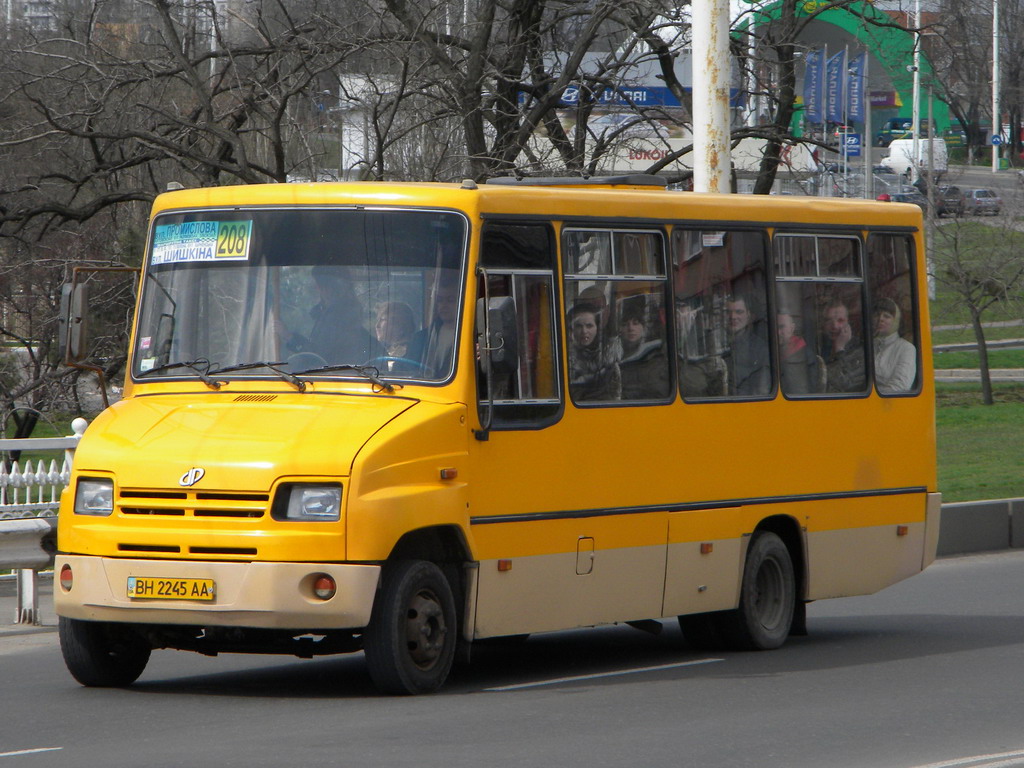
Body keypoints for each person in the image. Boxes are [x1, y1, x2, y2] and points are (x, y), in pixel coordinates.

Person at [285, 266, 373, 364]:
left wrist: (291, 338)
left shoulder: (337, 317)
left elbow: (319, 355)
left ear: (327, 288)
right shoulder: (327, 314)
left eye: (318, 285)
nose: (316, 289)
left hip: (335, 376)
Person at [606, 299, 669, 400]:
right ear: (620, 330)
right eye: (625, 324)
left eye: (635, 323)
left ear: (643, 328)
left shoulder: (655, 356)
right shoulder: (610, 358)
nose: (630, 328)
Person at [568, 303, 620, 401]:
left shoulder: (610, 356)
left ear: (598, 328)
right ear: (572, 329)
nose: (584, 331)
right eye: (578, 326)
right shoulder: (566, 356)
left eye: (589, 326)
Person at [724, 294, 770, 396]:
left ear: (749, 315)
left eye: (739, 312)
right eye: (728, 312)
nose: (733, 317)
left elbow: (762, 390)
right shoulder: (713, 345)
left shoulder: (760, 349)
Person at [821, 298, 866, 393]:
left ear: (847, 322)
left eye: (840, 320)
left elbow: (845, 386)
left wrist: (839, 350)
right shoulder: (818, 345)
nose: (834, 326)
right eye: (829, 321)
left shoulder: (859, 351)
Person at [417, 280, 460, 377]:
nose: (444, 305)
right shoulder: (422, 338)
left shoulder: (474, 339)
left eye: (450, 300)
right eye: (440, 300)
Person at [873, 297, 916, 393]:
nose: (880, 319)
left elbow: (900, 385)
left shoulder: (906, 349)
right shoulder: (865, 348)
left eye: (886, 316)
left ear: (895, 321)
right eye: (877, 315)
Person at [373, 301, 425, 372]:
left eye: (382, 320)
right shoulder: (384, 350)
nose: (377, 326)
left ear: (399, 323)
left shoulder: (410, 353)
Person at [777, 310, 820, 394]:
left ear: (792, 328)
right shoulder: (768, 354)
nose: (778, 332)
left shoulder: (807, 357)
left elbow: (808, 391)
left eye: (782, 327)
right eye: (774, 327)